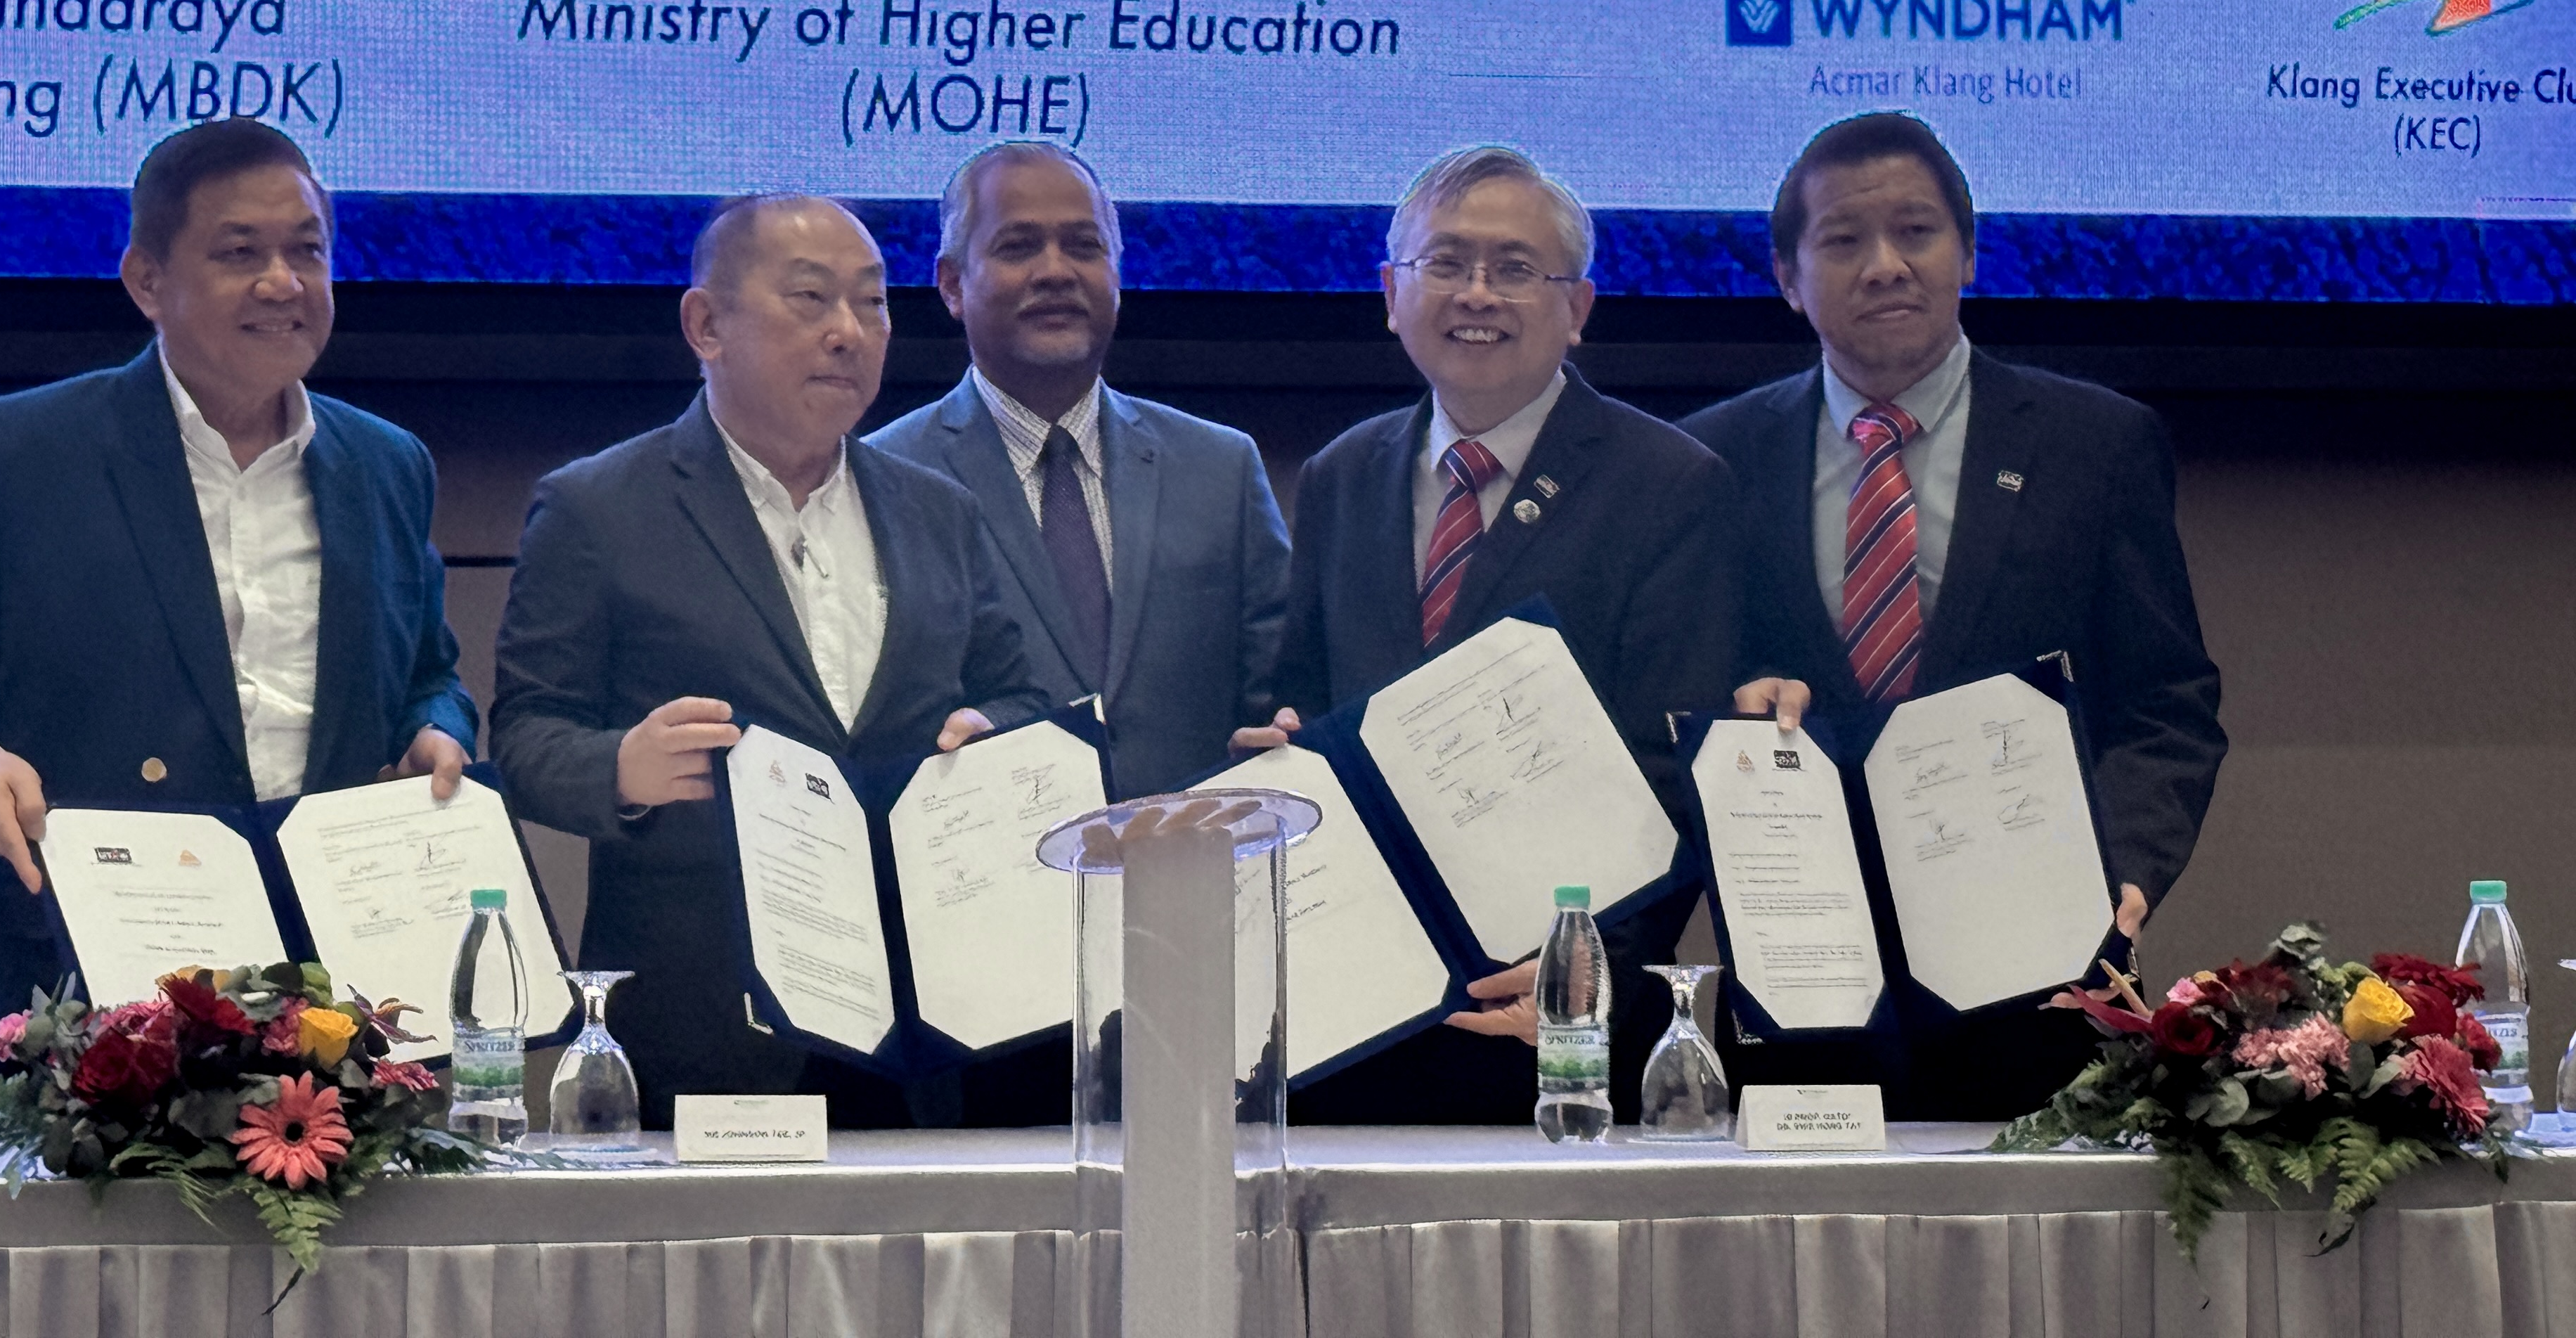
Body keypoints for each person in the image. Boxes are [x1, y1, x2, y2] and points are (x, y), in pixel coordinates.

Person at [0, 119, 477, 1096]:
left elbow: (429, 671)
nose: (282, 282)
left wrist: (437, 731)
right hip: (94, 977)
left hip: (333, 992)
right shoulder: (19, 453)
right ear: (146, 281)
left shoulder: (388, 464)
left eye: (307, 251)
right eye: (239, 253)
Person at [1680, 111, 2226, 1120]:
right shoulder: (1709, 463)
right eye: (1843, 241)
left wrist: (2125, 875)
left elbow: (2167, 703)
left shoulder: (2095, 446)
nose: (1885, 265)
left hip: (2045, 1002)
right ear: (1788, 278)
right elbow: (1675, 697)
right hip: (1807, 1001)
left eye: (1917, 232)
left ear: (1969, 253)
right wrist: (1731, 707)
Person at [490, 194, 1046, 1127]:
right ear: (706, 324)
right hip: (702, 1034)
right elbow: (526, 733)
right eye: (810, 299)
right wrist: (619, 770)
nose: (849, 333)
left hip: (915, 1029)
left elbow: (1019, 690)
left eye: (872, 304)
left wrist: (992, 734)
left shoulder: (936, 510)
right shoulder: (597, 509)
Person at [1254, 143, 1747, 1124]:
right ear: (1391, 293)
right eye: (1445, 263)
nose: (1477, 293)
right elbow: (1300, 693)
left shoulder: (1672, 485)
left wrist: (1581, 970)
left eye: (1516, 269)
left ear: (1579, 309)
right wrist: (1281, 758)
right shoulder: (1343, 476)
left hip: (1562, 1029)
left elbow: (1677, 769)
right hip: (1359, 1024)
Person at [869, 143, 1290, 802]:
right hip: (986, 885)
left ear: (1117, 274)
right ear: (952, 284)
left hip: (1192, 879)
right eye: (1018, 247)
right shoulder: (885, 478)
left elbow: (1281, 693)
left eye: (1084, 246)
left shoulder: (1221, 469)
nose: (1056, 272)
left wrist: (1283, 737)